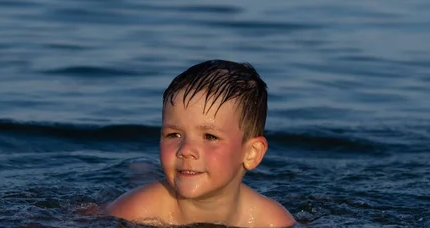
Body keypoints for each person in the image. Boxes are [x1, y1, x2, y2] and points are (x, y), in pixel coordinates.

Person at [105, 59, 296, 227]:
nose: (186, 150)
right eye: (173, 135)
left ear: (251, 153)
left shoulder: (271, 221)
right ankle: (141, 171)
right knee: (142, 183)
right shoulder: (135, 212)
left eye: (210, 137)